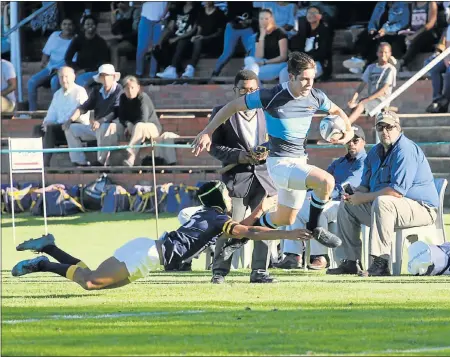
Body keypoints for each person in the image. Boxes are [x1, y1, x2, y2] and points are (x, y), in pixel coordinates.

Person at [11, 181, 312, 290]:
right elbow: (248, 231)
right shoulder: (218, 218)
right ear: (220, 200)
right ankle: (44, 262)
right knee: (89, 281)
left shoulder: (209, 215)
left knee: (90, 278)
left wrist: (260, 207)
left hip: (147, 249)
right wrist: (287, 231)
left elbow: (243, 226)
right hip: (149, 255)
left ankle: (50, 248)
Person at [193, 51, 355, 248]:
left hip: (299, 163)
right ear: (291, 77)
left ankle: (241, 237)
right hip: (280, 164)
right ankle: (315, 228)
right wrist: (207, 132)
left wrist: (347, 132)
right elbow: (232, 106)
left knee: (284, 219)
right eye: (304, 79)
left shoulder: (316, 97)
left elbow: (337, 111)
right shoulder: (271, 95)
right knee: (326, 182)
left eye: (312, 79)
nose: (309, 84)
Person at [327, 111, 439, 277]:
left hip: (422, 208)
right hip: (389, 208)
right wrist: (355, 194)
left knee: (383, 202)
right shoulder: (373, 153)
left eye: (389, 127)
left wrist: (363, 198)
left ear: (398, 128)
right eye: (380, 127)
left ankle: (381, 263)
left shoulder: (405, 150)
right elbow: (365, 186)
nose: (385, 131)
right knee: (347, 205)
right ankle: (351, 262)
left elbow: (396, 192)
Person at [208, 70, 278, 284]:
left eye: (253, 90)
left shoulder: (269, 112)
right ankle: (219, 271)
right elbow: (213, 146)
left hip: (265, 178)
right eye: (244, 90)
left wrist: (266, 151)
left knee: (264, 225)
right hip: (236, 178)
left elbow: (279, 140)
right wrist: (239, 156)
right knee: (231, 225)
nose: (248, 94)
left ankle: (259, 271)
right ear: (235, 91)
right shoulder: (222, 112)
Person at [276, 125, 367, 269]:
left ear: (364, 142)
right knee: (298, 207)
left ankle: (320, 257)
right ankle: (293, 255)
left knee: (317, 209)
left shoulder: (364, 162)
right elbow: (322, 180)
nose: (351, 144)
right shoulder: (339, 162)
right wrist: (309, 194)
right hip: (330, 201)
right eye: (349, 140)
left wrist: (323, 194)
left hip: (347, 204)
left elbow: (347, 186)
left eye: (356, 141)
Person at [64, 64, 124, 167]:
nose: (105, 78)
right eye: (102, 76)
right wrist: (70, 119)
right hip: (98, 127)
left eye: (108, 75)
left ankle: (100, 163)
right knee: (70, 128)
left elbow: (116, 111)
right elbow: (83, 107)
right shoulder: (97, 91)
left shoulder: (120, 90)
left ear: (113, 77)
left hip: (115, 126)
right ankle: (80, 162)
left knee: (103, 126)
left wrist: (100, 121)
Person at [32, 66, 89, 167]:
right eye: (61, 77)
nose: (64, 80)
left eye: (66, 76)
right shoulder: (57, 94)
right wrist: (47, 122)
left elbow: (78, 114)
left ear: (73, 77)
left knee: (51, 129)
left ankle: (44, 164)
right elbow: (51, 113)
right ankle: (34, 161)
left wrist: (54, 124)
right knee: (38, 129)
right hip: (59, 128)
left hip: (75, 126)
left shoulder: (80, 91)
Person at [118, 75, 176, 166]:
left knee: (140, 125)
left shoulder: (143, 97)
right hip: (135, 129)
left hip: (151, 128)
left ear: (138, 88)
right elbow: (121, 117)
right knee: (115, 126)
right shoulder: (122, 98)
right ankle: (106, 161)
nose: (130, 91)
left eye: (132, 88)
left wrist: (132, 126)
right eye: (127, 88)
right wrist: (127, 124)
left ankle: (131, 156)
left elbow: (143, 119)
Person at [342, 2, 409, 74]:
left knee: (380, 41)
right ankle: (358, 58)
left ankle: (363, 62)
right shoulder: (380, 4)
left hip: (393, 32)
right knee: (366, 34)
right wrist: (372, 28)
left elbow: (403, 23)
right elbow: (373, 19)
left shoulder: (403, 5)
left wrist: (387, 30)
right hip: (379, 30)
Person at [27, 18, 75, 111]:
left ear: (73, 27)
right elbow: (46, 52)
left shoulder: (75, 39)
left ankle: (57, 111)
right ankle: (32, 112)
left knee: (54, 82)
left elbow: (73, 61)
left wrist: (62, 70)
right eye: (64, 24)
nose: (67, 27)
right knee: (31, 82)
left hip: (65, 70)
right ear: (61, 26)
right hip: (50, 68)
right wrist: (43, 62)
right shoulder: (54, 35)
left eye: (69, 24)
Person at [347, 42, 397, 124]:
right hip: (370, 99)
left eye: (386, 52)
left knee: (361, 105)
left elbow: (383, 90)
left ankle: (346, 126)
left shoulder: (390, 69)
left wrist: (366, 100)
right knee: (351, 107)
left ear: (390, 54)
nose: (383, 54)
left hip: (381, 100)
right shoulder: (371, 68)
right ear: (377, 53)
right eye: (381, 52)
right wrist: (353, 99)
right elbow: (362, 85)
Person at [426, 1, 450, 113]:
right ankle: (437, 98)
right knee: (435, 68)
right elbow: (449, 46)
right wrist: (446, 58)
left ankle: (444, 102)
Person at [281, 5, 332, 82]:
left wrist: (306, 60)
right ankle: (285, 93)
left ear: (320, 16)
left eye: (314, 13)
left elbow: (323, 52)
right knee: (284, 73)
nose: (311, 15)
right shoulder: (303, 30)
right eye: (309, 13)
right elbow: (294, 48)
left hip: (316, 64)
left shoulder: (324, 32)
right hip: (300, 63)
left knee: (301, 74)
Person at [176, 2, 227, 78]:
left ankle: (191, 68)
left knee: (198, 41)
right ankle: (175, 68)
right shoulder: (201, 12)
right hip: (201, 40)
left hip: (213, 42)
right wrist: (197, 36)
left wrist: (204, 37)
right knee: (187, 41)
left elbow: (219, 33)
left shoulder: (219, 13)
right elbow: (199, 28)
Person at [155, 2, 201, 79]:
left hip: (188, 39)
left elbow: (193, 30)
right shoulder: (178, 10)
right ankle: (170, 69)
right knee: (157, 49)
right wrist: (160, 41)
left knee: (182, 41)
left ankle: (173, 69)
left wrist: (177, 38)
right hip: (175, 37)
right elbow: (170, 28)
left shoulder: (197, 11)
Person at [211, 1, 256, 77]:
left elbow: (251, 13)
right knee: (227, 53)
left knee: (252, 51)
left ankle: (249, 73)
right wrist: (238, 21)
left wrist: (250, 21)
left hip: (246, 28)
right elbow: (229, 16)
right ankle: (214, 74)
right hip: (232, 28)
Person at [64, 15, 110, 87]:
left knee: (80, 80)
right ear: (83, 26)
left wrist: (86, 70)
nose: (90, 26)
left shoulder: (101, 42)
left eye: (92, 24)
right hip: (79, 70)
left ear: (96, 26)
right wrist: (76, 69)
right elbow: (67, 58)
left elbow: (103, 63)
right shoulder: (78, 40)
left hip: (95, 71)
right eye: (87, 24)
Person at [243, 8, 288, 82]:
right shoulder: (259, 34)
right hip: (264, 64)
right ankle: (256, 88)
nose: (263, 21)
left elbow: (283, 57)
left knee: (248, 72)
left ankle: (255, 89)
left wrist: (264, 62)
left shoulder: (280, 33)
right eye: (261, 19)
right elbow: (259, 56)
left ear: (272, 19)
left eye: (266, 19)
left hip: (279, 65)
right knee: (248, 60)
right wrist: (262, 37)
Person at [397, 2, 439, 72]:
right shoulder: (413, 4)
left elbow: (431, 23)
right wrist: (407, 32)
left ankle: (403, 62)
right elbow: (410, 22)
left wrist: (415, 35)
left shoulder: (431, 3)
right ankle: (397, 61)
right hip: (414, 33)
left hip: (428, 34)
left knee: (420, 38)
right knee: (398, 38)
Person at [135, 1, 169, 78]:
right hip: (146, 17)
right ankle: (138, 73)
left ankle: (152, 75)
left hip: (161, 19)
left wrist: (164, 15)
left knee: (156, 48)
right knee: (142, 47)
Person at [109, 1, 140, 72]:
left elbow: (136, 31)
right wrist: (113, 14)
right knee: (109, 44)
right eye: (118, 3)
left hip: (132, 40)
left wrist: (122, 36)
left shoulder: (134, 11)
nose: (119, 4)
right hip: (121, 39)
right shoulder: (118, 13)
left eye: (121, 2)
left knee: (115, 48)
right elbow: (114, 31)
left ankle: (115, 71)